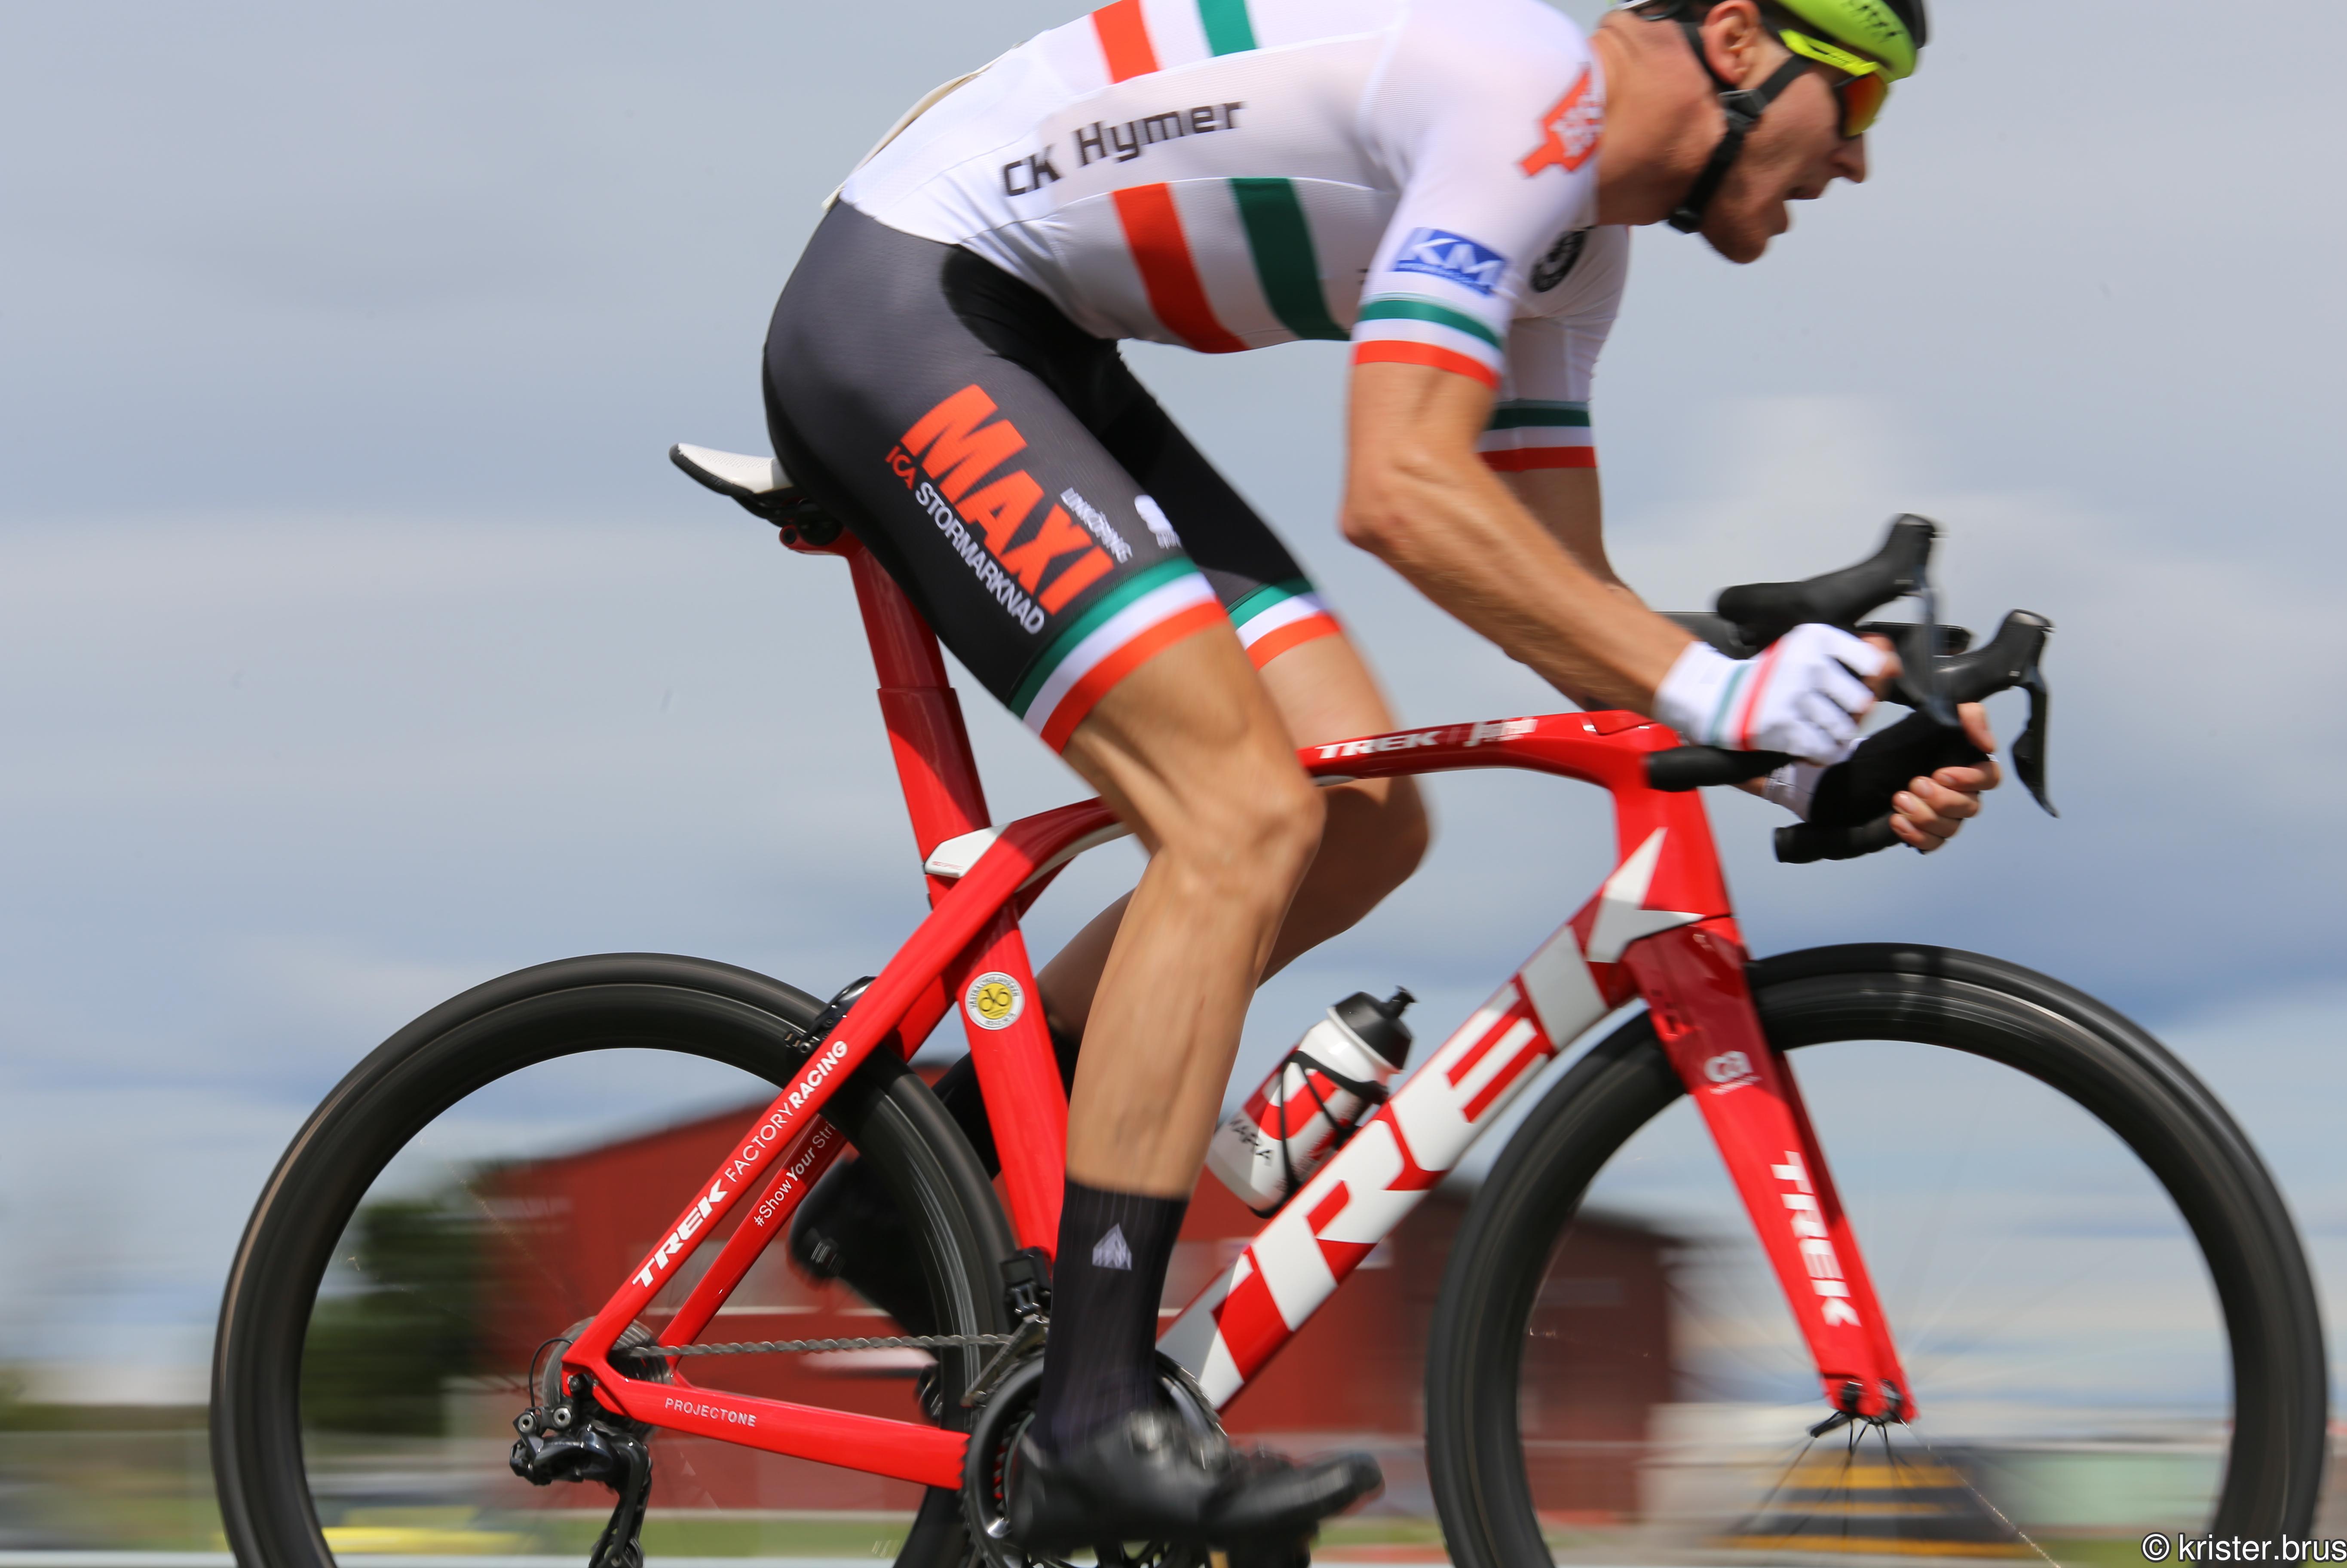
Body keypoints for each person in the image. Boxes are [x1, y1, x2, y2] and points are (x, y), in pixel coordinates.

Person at [762, 0, 1990, 1550]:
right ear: (1739, 38)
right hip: (911, 309)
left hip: (1037, 349)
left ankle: (910, 1186)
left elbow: (1564, 606)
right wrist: (1731, 690)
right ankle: (1090, 1419)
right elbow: (1401, 491)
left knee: (1358, 822)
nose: (1860, 160)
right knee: (1239, 816)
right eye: (1860, 98)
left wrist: (1808, 759)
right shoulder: (1527, 98)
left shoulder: (1577, 251)